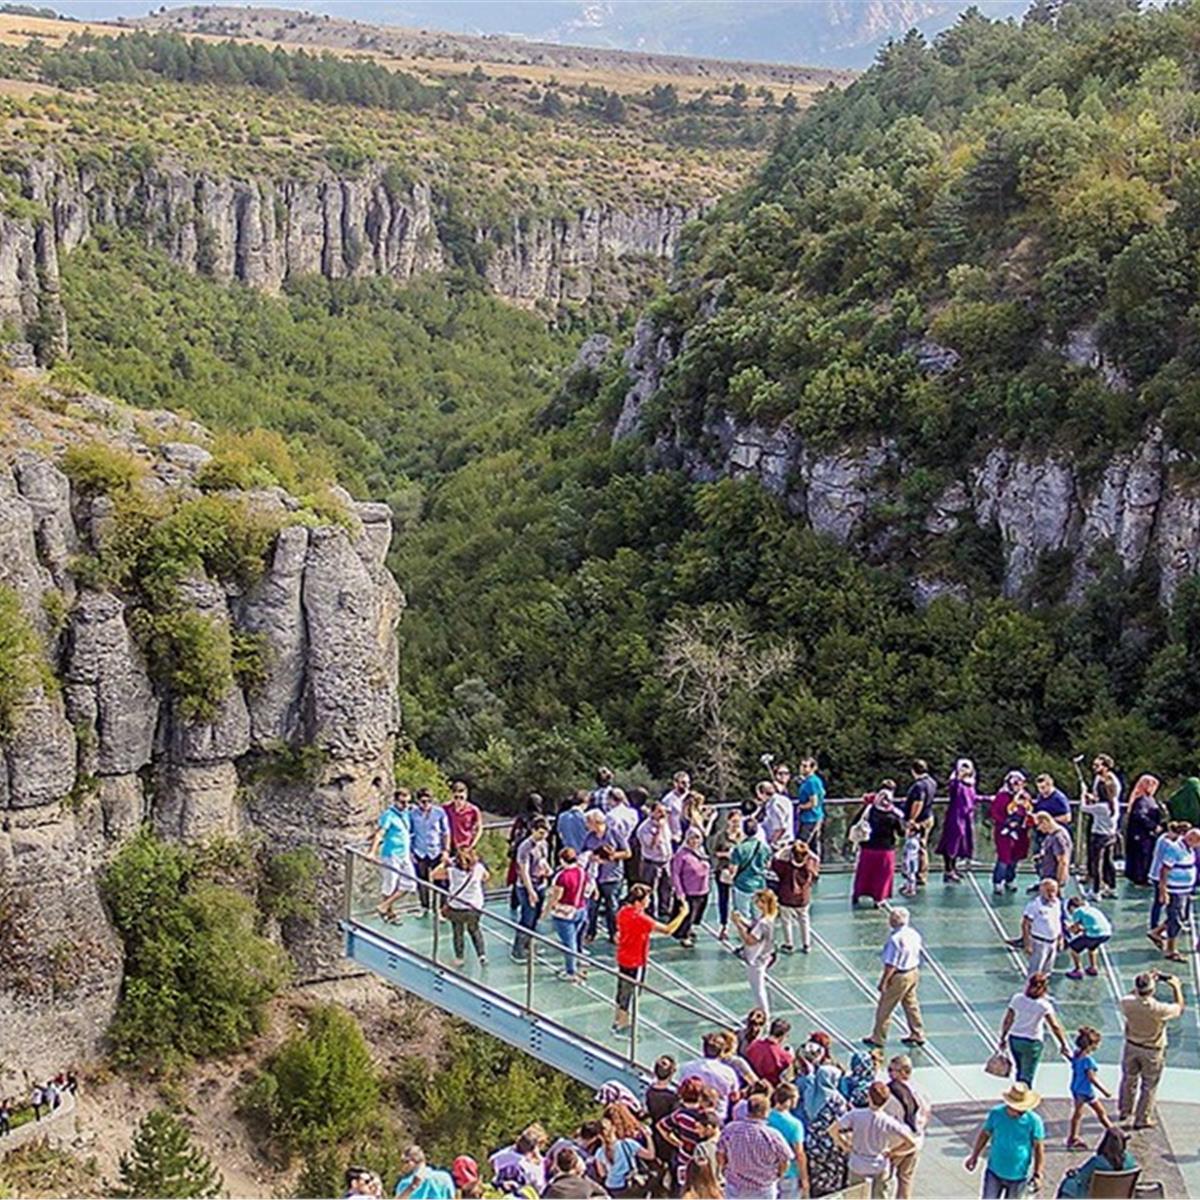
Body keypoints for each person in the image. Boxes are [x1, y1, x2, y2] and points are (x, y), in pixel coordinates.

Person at [611, 883, 684, 1036]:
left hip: (623, 957)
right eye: (647, 898)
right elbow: (667, 930)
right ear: (638, 902)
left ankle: (618, 1020)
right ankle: (622, 1025)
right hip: (636, 960)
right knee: (631, 994)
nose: (649, 901)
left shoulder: (623, 912)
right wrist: (682, 914)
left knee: (622, 991)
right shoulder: (639, 918)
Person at [1118, 969, 1185, 1129]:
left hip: (1131, 1046)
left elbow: (1131, 995)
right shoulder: (1159, 1009)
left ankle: (1125, 1110)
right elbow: (1179, 1008)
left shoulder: (1126, 1002)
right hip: (1152, 1050)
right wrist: (1176, 987)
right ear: (1153, 989)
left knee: (1128, 1079)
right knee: (1149, 1085)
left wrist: (1143, 982)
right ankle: (1142, 1118)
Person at [833, 1080, 916, 1200]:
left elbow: (833, 1130)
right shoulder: (888, 1121)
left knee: (855, 1196)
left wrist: (845, 1145)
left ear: (869, 1096)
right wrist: (893, 1152)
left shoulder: (855, 1115)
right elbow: (911, 1143)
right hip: (879, 1163)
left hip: (858, 1162)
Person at [965, 1082, 1046, 1200]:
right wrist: (974, 1156)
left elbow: (1039, 1148)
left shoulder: (1034, 1121)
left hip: (1019, 1176)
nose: (1019, 1112)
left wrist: (1038, 1174)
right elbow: (984, 1135)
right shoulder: (996, 1114)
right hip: (994, 1171)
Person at [997, 973, 1071, 1089]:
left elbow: (1008, 1020)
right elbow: (1055, 1026)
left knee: (1020, 1070)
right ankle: (1024, 1099)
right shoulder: (1044, 1005)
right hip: (1032, 1041)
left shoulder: (1017, 999)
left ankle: (1017, 1094)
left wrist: (1003, 1037)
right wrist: (1063, 1044)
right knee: (1028, 1073)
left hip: (1015, 1038)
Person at [865, 907, 924, 1049]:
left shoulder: (895, 939)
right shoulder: (914, 934)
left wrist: (884, 982)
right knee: (911, 1005)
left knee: (885, 1007)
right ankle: (917, 1033)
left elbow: (891, 964)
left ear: (893, 921)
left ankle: (878, 1038)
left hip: (899, 976)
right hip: (913, 971)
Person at [796, 1043, 850, 1196]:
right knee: (832, 1185)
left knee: (817, 1181)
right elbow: (843, 1122)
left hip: (813, 1143)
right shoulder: (836, 1099)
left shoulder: (810, 1094)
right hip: (831, 1145)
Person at [717, 1093, 793, 1200]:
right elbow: (785, 1159)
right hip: (763, 1189)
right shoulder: (772, 1135)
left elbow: (720, 1153)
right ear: (766, 1112)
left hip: (735, 1187)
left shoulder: (730, 1129)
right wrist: (778, 1175)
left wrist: (724, 1169)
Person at [430, 847, 489, 967]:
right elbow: (486, 877)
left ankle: (459, 957)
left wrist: (444, 863)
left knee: (458, 931)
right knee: (475, 929)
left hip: (457, 907)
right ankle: (481, 955)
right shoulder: (478, 868)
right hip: (475, 906)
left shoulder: (452, 871)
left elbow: (434, 875)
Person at [1149, 826, 1200, 962]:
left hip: (1184, 889)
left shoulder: (1190, 850)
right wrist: (1163, 890)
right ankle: (1171, 950)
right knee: (1175, 919)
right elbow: (1164, 870)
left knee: (1180, 916)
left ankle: (1156, 932)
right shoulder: (1174, 849)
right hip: (1174, 889)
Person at [883, 1055, 930, 1200]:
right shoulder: (920, 1091)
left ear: (904, 1071)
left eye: (892, 1070)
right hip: (915, 1140)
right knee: (905, 1180)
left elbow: (885, 1118)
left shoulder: (889, 1092)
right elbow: (927, 1114)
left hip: (894, 1144)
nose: (889, 1073)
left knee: (885, 1181)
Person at [851, 785, 905, 906]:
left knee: (864, 873)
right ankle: (879, 898)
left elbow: (855, 822)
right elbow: (902, 832)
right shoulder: (893, 815)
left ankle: (858, 894)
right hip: (886, 850)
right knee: (882, 875)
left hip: (867, 848)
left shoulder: (869, 810)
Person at [656, 1077, 712, 1193]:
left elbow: (661, 1126)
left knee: (680, 1188)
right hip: (702, 1161)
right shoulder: (706, 1116)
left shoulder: (680, 1115)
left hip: (683, 1157)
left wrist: (676, 1142)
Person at [582, 810, 629, 944]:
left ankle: (614, 933)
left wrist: (610, 856)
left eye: (588, 822)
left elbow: (627, 852)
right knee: (592, 907)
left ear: (595, 822)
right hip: (594, 877)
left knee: (612, 907)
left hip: (612, 876)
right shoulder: (589, 837)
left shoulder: (614, 833)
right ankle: (590, 932)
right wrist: (591, 857)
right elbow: (584, 852)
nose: (587, 825)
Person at [370, 788, 415, 923]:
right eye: (402, 802)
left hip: (404, 854)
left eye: (407, 802)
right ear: (395, 801)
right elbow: (380, 833)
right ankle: (389, 914)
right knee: (390, 884)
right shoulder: (389, 815)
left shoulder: (406, 813)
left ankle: (384, 906)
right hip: (391, 854)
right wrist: (372, 851)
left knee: (410, 884)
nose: (405, 805)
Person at [546, 846, 590, 981]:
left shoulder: (562, 877)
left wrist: (546, 910)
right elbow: (587, 889)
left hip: (565, 913)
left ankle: (571, 971)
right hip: (581, 909)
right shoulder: (582, 872)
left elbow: (556, 896)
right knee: (575, 939)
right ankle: (578, 962)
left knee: (568, 943)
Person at [733, 888, 778, 1020]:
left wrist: (738, 925)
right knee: (759, 986)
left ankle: (764, 1015)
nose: (757, 904)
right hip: (765, 955)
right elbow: (753, 925)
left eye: (760, 902)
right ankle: (763, 1012)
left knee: (758, 988)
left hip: (757, 958)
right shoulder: (768, 917)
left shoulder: (764, 922)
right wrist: (742, 920)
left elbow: (750, 940)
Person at [512, 816, 552, 962]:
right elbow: (523, 870)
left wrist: (547, 871)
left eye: (545, 833)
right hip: (527, 887)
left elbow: (543, 860)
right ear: (533, 830)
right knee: (527, 918)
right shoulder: (525, 847)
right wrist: (530, 891)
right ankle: (518, 950)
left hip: (540, 884)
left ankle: (529, 945)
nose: (543, 836)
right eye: (540, 832)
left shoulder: (544, 844)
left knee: (535, 917)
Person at [1067, 1026, 1114, 1149]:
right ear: (1091, 1045)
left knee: (1078, 1114)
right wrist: (1105, 1091)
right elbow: (1091, 1078)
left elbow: (1073, 1063)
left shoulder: (1077, 1055)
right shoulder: (1088, 1061)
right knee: (1100, 1112)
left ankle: (1073, 1137)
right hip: (1086, 1091)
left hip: (1076, 1088)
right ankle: (1114, 1133)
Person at [1081, 754, 1121, 899]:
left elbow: (1083, 808)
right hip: (1111, 833)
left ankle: (1096, 890)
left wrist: (1083, 793)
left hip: (1099, 834)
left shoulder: (1103, 805)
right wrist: (1095, 799)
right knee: (1109, 860)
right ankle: (1112, 886)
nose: (1094, 768)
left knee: (1097, 862)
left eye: (1097, 765)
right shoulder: (1113, 805)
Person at [1057, 1128, 1137, 1199]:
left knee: (1067, 1184)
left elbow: (1081, 1178)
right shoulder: (1130, 1160)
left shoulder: (1097, 1162)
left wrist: (1073, 1174)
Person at [591, 1110, 654, 1197]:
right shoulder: (628, 1144)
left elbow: (602, 1174)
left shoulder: (599, 1153)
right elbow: (650, 1155)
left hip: (612, 1187)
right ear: (614, 1128)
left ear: (598, 1135)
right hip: (629, 1185)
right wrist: (648, 1137)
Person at [678, 1032, 742, 1120]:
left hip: (690, 1115)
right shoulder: (728, 1072)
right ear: (721, 1052)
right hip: (718, 1117)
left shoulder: (686, 1068)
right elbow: (735, 1096)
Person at [409, 787, 451, 915]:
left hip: (436, 851)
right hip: (420, 851)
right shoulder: (412, 814)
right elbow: (409, 833)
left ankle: (441, 908)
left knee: (442, 882)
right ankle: (424, 906)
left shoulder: (439, 813)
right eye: (423, 801)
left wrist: (446, 850)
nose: (426, 804)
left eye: (428, 801)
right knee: (422, 881)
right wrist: (410, 851)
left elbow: (446, 832)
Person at [989, 772, 1032, 896]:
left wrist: (1025, 820)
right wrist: (1006, 822)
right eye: (1015, 783)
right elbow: (995, 813)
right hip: (1004, 832)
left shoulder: (1025, 796)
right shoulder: (1002, 796)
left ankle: (1010, 879)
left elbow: (1028, 810)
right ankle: (998, 881)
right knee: (1004, 857)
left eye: (1020, 783)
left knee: (1015, 858)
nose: (1018, 786)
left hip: (1020, 832)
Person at [773, 840, 818, 954]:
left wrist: (783, 849)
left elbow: (774, 860)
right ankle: (806, 944)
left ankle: (789, 944)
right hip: (803, 898)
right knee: (804, 920)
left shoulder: (785, 866)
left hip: (786, 897)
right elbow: (816, 860)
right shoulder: (810, 865)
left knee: (786, 921)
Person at [937, 758, 978, 883]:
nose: (965, 770)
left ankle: (953, 869)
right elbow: (953, 787)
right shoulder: (956, 783)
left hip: (966, 818)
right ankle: (948, 870)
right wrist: (957, 776)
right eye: (962, 767)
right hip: (955, 817)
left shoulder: (970, 784)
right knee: (951, 843)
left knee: (960, 844)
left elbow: (973, 798)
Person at [671, 827, 711, 948]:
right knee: (687, 915)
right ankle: (684, 936)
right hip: (689, 891)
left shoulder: (702, 852)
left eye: (697, 838)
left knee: (696, 914)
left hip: (703, 890)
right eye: (692, 838)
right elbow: (675, 873)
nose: (695, 841)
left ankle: (690, 930)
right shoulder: (681, 854)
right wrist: (680, 892)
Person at [768, 1083, 809, 1200]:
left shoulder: (765, 1118)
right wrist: (804, 1178)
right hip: (789, 1173)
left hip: (768, 1172)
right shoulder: (795, 1124)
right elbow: (799, 1154)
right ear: (789, 1100)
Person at [644, 1056, 678, 1195]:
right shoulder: (672, 1095)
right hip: (669, 1133)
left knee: (659, 1163)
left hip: (654, 1131)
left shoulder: (650, 1091)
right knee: (672, 1164)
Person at [1124, 774, 1164, 886]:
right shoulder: (1141, 800)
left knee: (1145, 856)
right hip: (1140, 835)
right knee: (1140, 857)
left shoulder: (1150, 799)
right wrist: (1153, 826)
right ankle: (1139, 878)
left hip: (1146, 835)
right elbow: (1139, 815)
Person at [636, 803, 675, 918]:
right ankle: (649, 913)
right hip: (651, 863)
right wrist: (658, 829)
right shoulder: (644, 828)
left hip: (666, 862)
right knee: (649, 889)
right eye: (659, 811)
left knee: (666, 887)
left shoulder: (665, 824)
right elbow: (651, 845)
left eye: (664, 812)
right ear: (652, 812)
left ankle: (665, 911)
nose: (663, 814)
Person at [902, 760, 937, 887]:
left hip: (920, 820)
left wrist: (912, 820)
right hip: (928, 817)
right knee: (922, 847)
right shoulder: (932, 782)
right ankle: (921, 875)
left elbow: (918, 803)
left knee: (916, 849)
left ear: (913, 771)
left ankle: (917, 876)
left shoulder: (919, 786)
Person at [508, 794, 546, 907]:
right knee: (532, 875)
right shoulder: (540, 820)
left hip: (518, 852)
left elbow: (513, 834)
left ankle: (514, 903)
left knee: (519, 877)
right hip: (534, 851)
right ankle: (533, 901)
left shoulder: (521, 818)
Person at [713, 809, 746, 940]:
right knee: (723, 899)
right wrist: (727, 854)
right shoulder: (721, 836)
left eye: (738, 821)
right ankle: (723, 926)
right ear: (728, 821)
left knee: (739, 900)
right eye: (734, 821)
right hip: (723, 871)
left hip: (739, 872)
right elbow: (715, 852)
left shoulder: (743, 837)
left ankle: (741, 926)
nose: (736, 824)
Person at [1021, 879, 1064, 979]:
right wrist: (1027, 943)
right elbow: (1025, 924)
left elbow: (1058, 921)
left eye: (1054, 890)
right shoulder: (1034, 905)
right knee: (1034, 973)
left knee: (1047, 972)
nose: (1051, 893)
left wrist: (1060, 938)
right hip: (1039, 943)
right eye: (1048, 890)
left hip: (1052, 942)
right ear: (1041, 890)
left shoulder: (1057, 903)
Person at [730, 820, 771, 919]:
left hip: (742, 885)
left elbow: (733, 870)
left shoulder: (739, 848)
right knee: (759, 915)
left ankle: (746, 934)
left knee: (743, 916)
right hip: (759, 884)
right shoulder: (765, 847)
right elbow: (768, 865)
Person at [1064, 896, 1112, 980]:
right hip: (1106, 933)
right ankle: (1093, 968)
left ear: (1071, 907)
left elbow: (1075, 930)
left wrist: (1068, 928)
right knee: (1092, 948)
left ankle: (1078, 970)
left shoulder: (1078, 911)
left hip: (1094, 934)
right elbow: (1090, 924)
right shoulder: (1091, 909)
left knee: (1073, 949)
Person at [542, 1147, 609, 1198]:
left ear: (557, 1166)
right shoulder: (586, 1186)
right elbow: (605, 1196)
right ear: (577, 1165)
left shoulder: (551, 1189)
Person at [746, 1018, 794, 1087]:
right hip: (769, 1089)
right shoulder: (784, 1056)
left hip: (750, 1085)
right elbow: (788, 1077)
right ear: (783, 1036)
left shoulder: (753, 1045)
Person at [1032, 811, 1072, 889]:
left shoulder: (1058, 837)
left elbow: (1063, 861)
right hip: (1048, 877)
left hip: (1053, 880)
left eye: (1038, 825)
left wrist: (1058, 882)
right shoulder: (1051, 835)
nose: (1038, 829)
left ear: (1045, 822)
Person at [795, 758, 826, 849]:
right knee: (812, 844)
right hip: (808, 818)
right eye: (801, 766)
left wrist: (800, 807)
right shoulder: (807, 781)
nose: (802, 768)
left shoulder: (812, 782)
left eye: (805, 766)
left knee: (803, 844)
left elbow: (813, 802)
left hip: (811, 818)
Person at [445, 779, 482, 851]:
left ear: (466, 796)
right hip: (450, 846)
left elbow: (479, 828)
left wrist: (473, 844)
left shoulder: (473, 810)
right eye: (456, 797)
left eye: (461, 797)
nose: (459, 801)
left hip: (466, 846)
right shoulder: (446, 808)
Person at [762, 780, 795, 852]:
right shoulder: (785, 800)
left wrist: (772, 842)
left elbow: (780, 827)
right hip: (789, 839)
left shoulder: (773, 805)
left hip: (780, 844)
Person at [557, 790, 591, 856]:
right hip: (583, 853)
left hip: (568, 853)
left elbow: (560, 834)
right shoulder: (585, 818)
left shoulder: (562, 816)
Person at [660, 771, 691, 846]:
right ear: (675, 783)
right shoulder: (668, 799)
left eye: (688, 782)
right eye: (683, 783)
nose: (686, 785)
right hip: (675, 836)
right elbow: (664, 818)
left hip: (690, 835)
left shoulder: (690, 796)